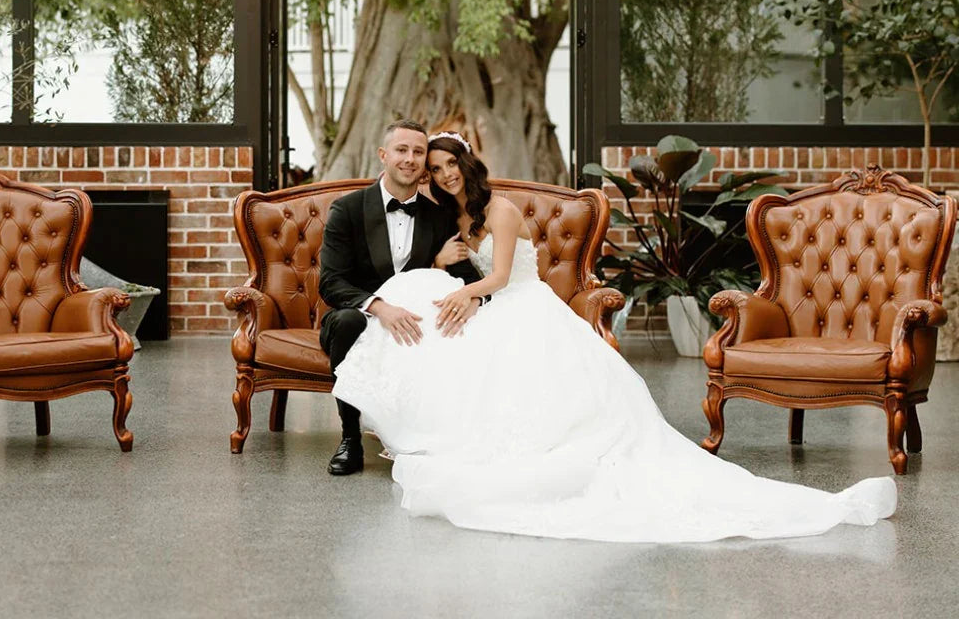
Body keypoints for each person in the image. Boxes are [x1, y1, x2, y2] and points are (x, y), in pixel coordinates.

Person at [331, 132, 898, 542]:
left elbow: (499, 277)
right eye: (434, 169)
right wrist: (441, 264)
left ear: (467, 163)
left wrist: (470, 293)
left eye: (449, 164)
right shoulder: (448, 218)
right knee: (447, 339)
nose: (443, 174)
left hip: (521, 304)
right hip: (490, 308)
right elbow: (451, 268)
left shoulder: (499, 209)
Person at [317, 119, 485, 476]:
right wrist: (380, 307)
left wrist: (472, 301)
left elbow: (471, 278)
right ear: (384, 155)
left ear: (424, 163)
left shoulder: (440, 217)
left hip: (416, 323)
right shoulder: (347, 210)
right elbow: (331, 282)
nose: (410, 159)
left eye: (418, 152)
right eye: (401, 150)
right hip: (359, 314)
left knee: (452, 329)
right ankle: (350, 438)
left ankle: (427, 437)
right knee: (347, 322)